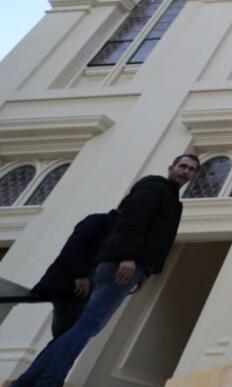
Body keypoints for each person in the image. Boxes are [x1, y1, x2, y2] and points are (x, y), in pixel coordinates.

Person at [13, 153, 198, 387]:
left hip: (133, 267)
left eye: (192, 169)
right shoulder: (154, 188)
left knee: (84, 327)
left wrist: (146, 271)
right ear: (171, 167)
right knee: (88, 325)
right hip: (121, 264)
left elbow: (156, 237)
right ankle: (49, 380)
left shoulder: (170, 198)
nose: (186, 172)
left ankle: (25, 382)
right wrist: (128, 257)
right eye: (183, 166)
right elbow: (132, 221)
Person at [30, 210, 118, 338]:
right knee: (64, 335)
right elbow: (74, 247)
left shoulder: (110, 226)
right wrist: (77, 274)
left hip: (78, 288)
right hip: (73, 286)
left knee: (66, 336)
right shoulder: (102, 222)